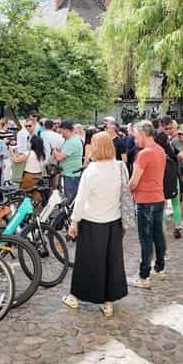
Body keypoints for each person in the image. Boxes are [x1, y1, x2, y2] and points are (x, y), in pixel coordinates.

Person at [63, 131, 128, 317]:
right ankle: (108, 302)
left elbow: (81, 199)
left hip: (92, 222)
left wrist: (74, 222)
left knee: (86, 263)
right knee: (111, 262)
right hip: (113, 221)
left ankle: (75, 297)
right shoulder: (120, 167)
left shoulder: (91, 171)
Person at [128, 120, 166, 289]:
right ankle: (159, 268)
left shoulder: (144, 154)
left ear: (143, 134)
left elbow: (134, 181)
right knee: (158, 235)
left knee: (145, 239)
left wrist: (125, 192)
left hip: (145, 201)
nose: (135, 140)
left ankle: (144, 276)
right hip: (158, 198)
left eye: (136, 136)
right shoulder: (160, 150)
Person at [154, 130, 183, 239]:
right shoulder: (171, 148)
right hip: (173, 180)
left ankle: (162, 229)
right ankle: (177, 227)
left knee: (162, 206)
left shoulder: (156, 151)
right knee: (176, 205)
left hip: (160, 181)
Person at [53, 121, 84, 203]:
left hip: (71, 175)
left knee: (70, 200)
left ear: (66, 130)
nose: (60, 134)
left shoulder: (72, 142)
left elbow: (59, 157)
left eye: (61, 131)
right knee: (69, 198)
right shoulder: (71, 140)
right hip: (70, 174)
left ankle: (70, 215)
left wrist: (55, 150)